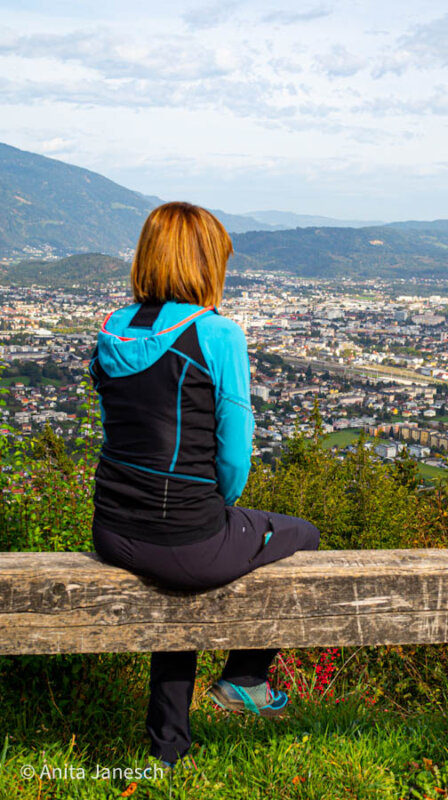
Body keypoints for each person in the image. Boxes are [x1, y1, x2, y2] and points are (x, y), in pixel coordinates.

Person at [89, 201, 320, 768]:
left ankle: (167, 752)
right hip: (185, 534)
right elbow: (234, 458)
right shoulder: (217, 335)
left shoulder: (112, 329)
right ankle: (245, 677)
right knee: (304, 535)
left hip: (112, 530)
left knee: (177, 583)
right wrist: (218, 510)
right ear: (205, 263)